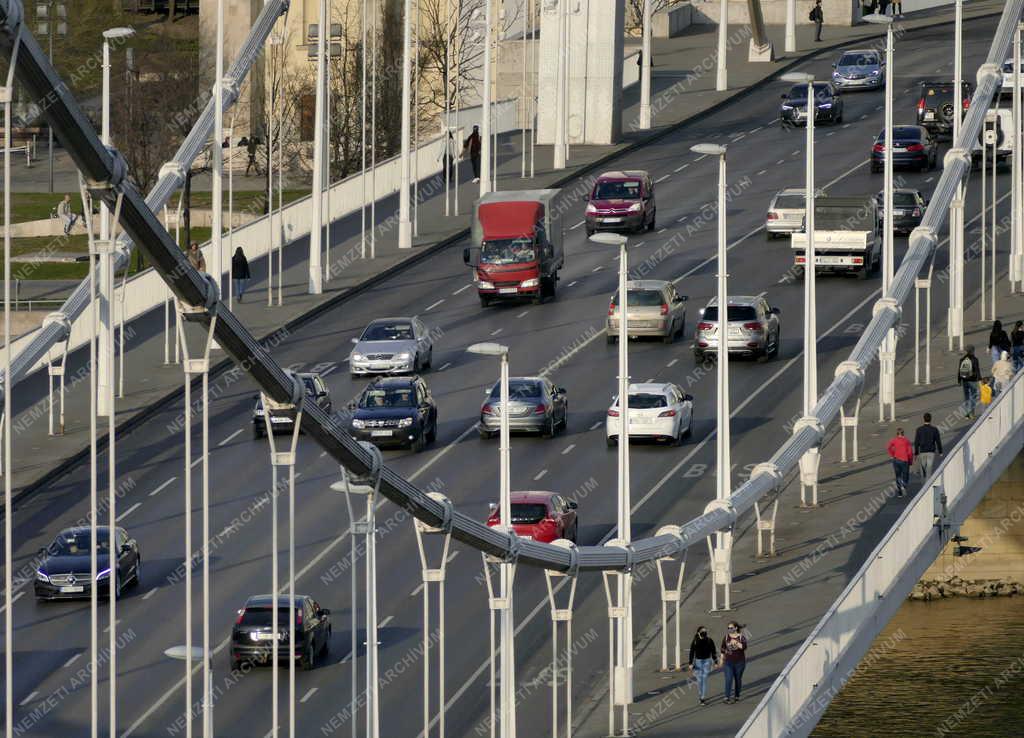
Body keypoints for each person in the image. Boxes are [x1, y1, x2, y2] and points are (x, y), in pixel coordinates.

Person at [688, 625, 717, 705]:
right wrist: (690, 663)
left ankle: (702, 698)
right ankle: (700, 694)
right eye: (703, 631)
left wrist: (715, 661)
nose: (704, 633)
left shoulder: (709, 640)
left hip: (707, 661)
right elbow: (692, 652)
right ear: (698, 632)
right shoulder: (695, 641)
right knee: (699, 680)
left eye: (705, 631)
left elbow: (713, 651)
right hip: (698, 662)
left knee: (704, 679)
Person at [720, 621, 747, 703]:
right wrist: (721, 659)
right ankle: (726, 697)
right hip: (728, 662)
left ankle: (737, 696)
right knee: (728, 679)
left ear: (736, 628)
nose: (729, 629)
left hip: (740, 662)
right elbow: (722, 649)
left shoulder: (741, 637)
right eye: (728, 628)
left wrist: (736, 642)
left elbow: (744, 647)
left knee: (738, 679)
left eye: (731, 628)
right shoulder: (726, 637)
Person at [913, 413, 942, 479]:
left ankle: (924, 479)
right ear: (931, 419)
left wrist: (916, 452)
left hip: (922, 451)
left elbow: (916, 442)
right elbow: (938, 440)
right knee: (929, 467)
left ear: (923, 419)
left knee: (923, 466)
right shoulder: (934, 429)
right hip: (931, 451)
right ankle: (927, 482)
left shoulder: (919, 429)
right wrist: (940, 451)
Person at [957, 345, 982, 419]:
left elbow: (959, 370)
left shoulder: (962, 359)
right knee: (973, 397)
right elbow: (977, 370)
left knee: (966, 397)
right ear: (973, 351)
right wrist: (979, 380)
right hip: (973, 380)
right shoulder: (975, 359)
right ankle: (972, 413)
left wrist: (959, 380)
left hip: (965, 380)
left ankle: (966, 414)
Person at [887, 427, 913, 497]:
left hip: (896, 460)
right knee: (906, 475)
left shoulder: (894, 440)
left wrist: (892, 455)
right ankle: (904, 486)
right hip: (905, 460)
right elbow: (910, 452)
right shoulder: (906, 441)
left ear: (897, 434)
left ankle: (900, 492)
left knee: (898, 476)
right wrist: (910, 461)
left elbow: (889, 447)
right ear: (903, 433)